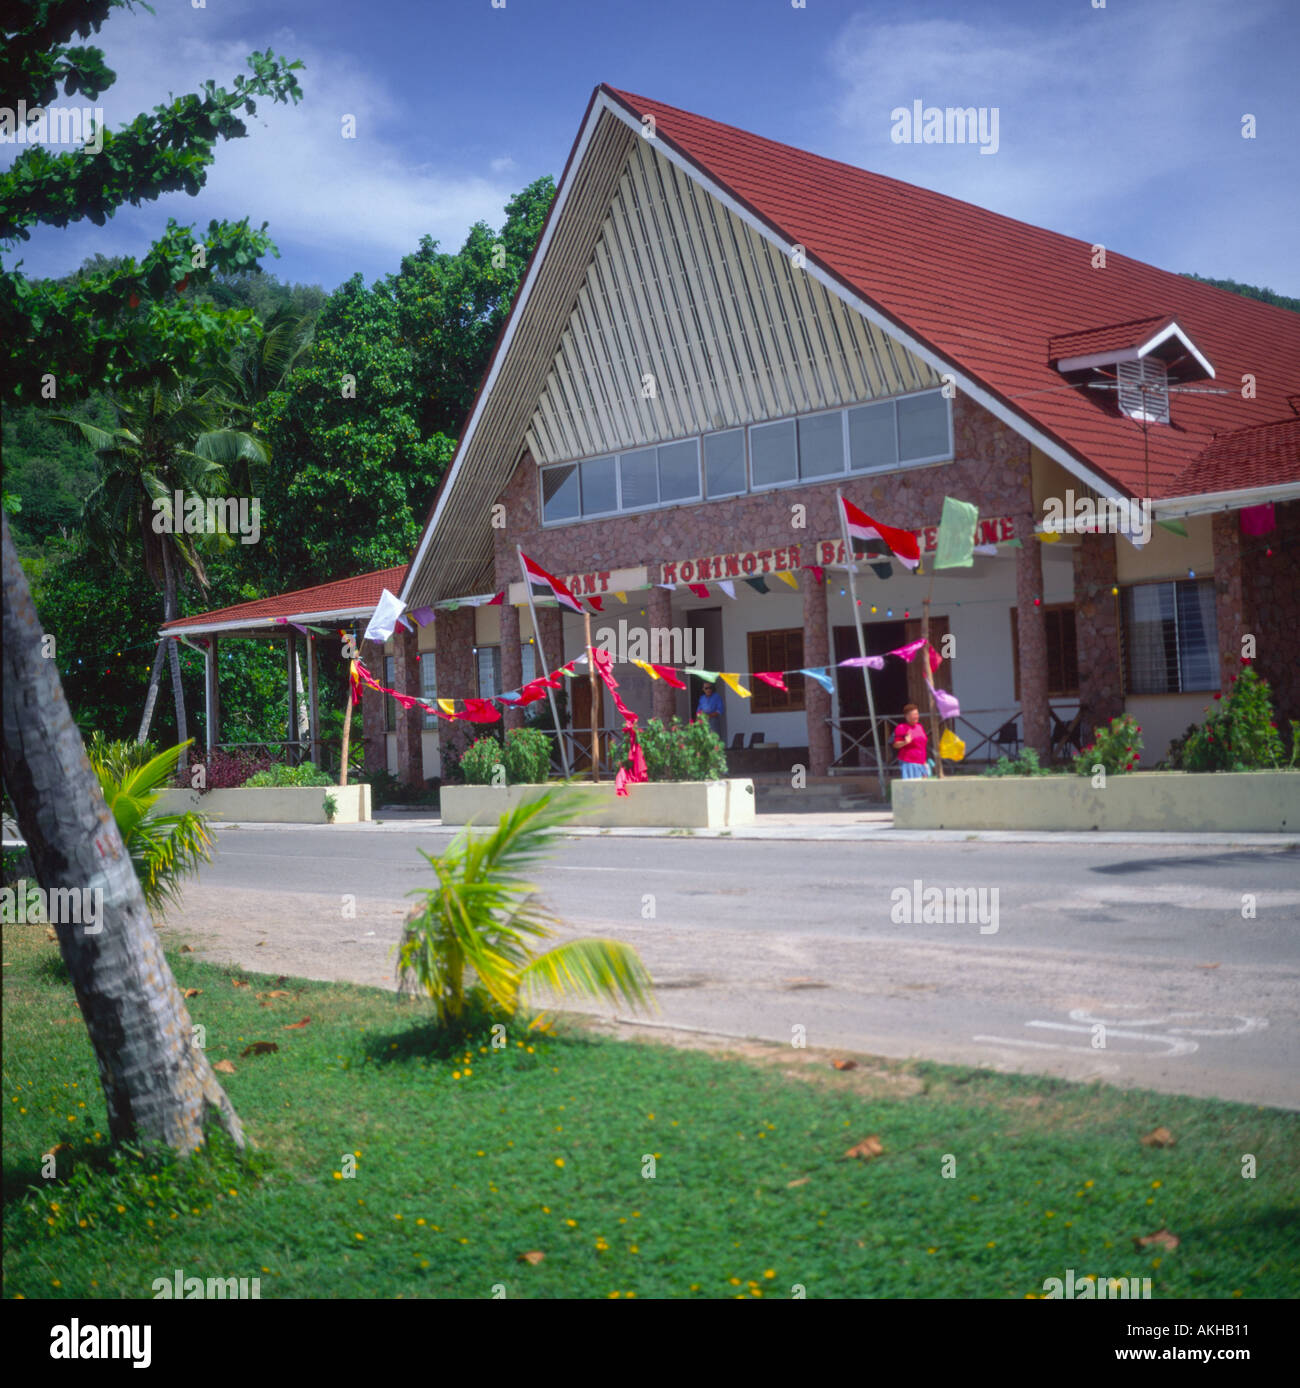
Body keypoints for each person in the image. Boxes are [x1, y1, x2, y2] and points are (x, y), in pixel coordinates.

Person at [892, 703, 930, 779]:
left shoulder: (919, 726)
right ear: (907, 716)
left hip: (922, 763)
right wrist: (905, 742)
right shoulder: (901, 727)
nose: (917, 716)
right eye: (914, 714)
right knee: (914, 788)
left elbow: (922, 746)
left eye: (917, 714)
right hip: (909, 763)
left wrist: (924, 762)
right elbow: (895, 745)